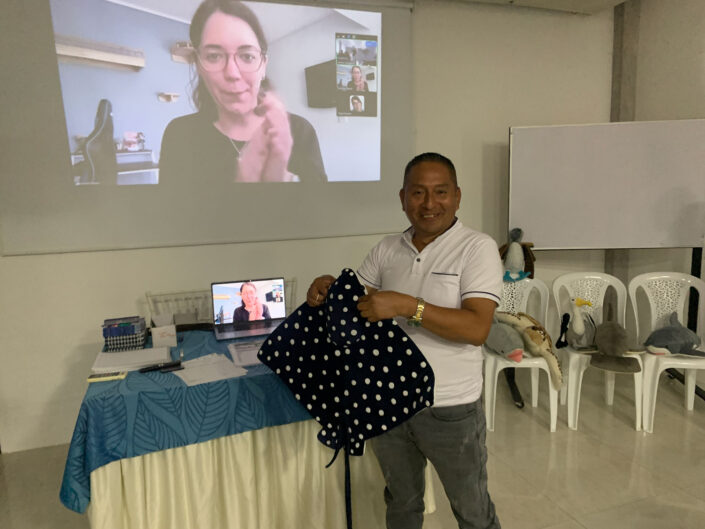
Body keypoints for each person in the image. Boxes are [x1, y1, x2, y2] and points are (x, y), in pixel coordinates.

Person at [306, 152, 503, 529]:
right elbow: (355, 302)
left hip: (449, 406)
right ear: (402, 198)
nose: (429, 204)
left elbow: (477, 328)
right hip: (389, 400)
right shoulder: (388, 248)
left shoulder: (477, 248)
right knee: (401, 502)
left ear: (457, 196)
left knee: (472, 510)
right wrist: (326, 289)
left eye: (440, 192)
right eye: (418, 193)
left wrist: (408, 306)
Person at [160, 0, 327, 183]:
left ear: (263, 65)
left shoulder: (300, 132)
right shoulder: (180, 135)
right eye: (214, 56)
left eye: (247, 56)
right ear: (199, 65)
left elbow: (321, 202)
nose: (232, 73)